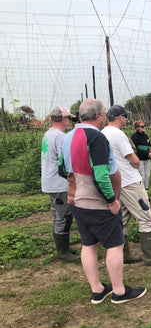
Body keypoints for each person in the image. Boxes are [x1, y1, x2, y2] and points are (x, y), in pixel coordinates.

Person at [59, 98, 146, 304]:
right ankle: (119, 291)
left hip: (76, 201)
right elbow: (100, 174)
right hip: (97, 203)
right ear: (98, 115)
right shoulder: (96, 138)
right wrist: (111, 200)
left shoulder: (67, 137)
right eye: (105, 113)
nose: (106, 116)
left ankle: (97, 290)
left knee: (89, 244)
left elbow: (62, 170)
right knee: (115, 244)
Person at [102, 105, 151, 266]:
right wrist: (136, 165)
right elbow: (133, 159)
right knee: (146, 217)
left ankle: (124, 254)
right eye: (126, 116)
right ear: (121, 117)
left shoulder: (103, 133)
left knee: (123, 218)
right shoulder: (118, 134)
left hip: (116, 183)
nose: (127, 119)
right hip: (130, 181)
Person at [41, 106, 80, 262]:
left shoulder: (49, 133)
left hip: (52, 181)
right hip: (59, 182)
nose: (69, 122)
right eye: (69, 119)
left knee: (61, 214)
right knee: (62, 216)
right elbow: (66, 160)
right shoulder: (60, 137)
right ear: (63, 119)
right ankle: (62, 251)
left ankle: (64, 246)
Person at [131, 120, 151, 191]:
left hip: (147, 159)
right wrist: (146, 153)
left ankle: (146, 193)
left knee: (147, 176)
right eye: (142, 126)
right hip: (140, 159)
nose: (144, 128)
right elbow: (135, 149)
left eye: (144, 126)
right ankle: (141, 194)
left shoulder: (146, 136)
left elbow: (150, 146)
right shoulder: (134, 137)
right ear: (137, 128)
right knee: (142, 176)